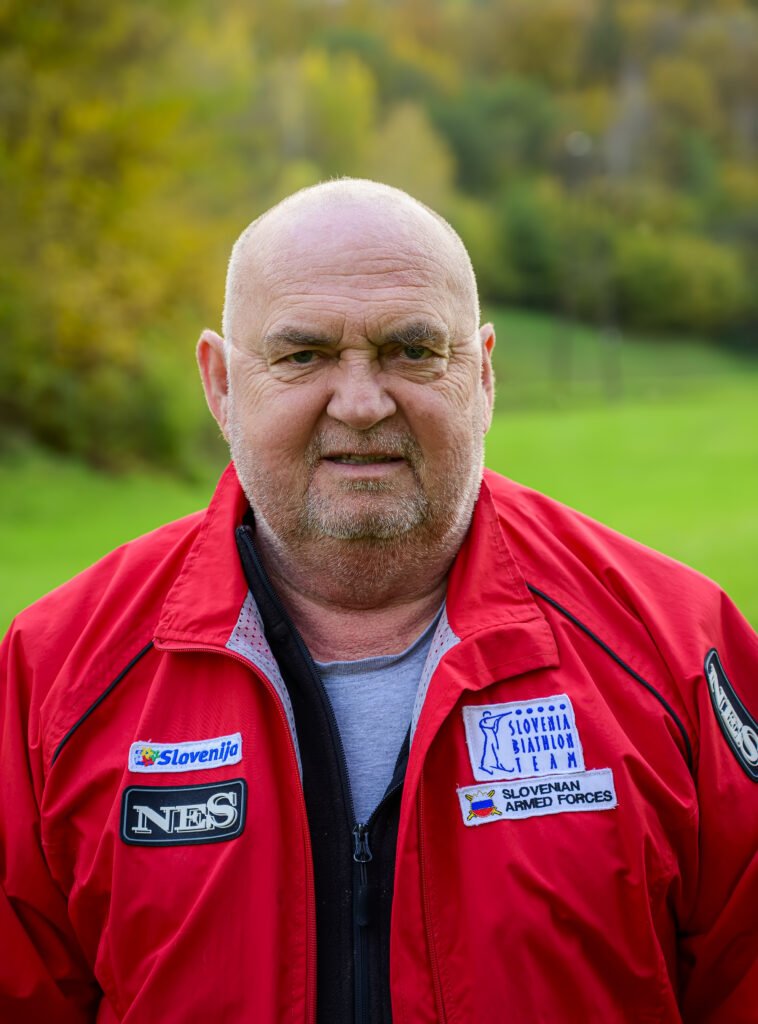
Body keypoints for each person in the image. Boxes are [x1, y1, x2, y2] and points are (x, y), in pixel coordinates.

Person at [1, 178, 756, 1024]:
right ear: (220, 384)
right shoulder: (56, 673)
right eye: (303, 355)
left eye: (412, 350)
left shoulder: (676, 648)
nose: (361, 404)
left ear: (484, 375)